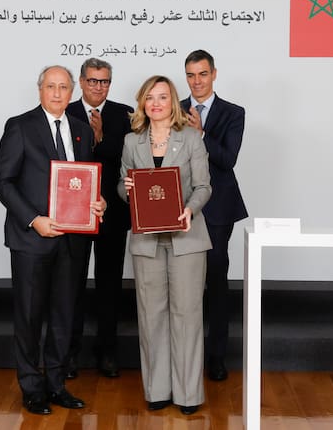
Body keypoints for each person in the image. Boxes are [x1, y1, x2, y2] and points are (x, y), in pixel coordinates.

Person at [0, 65, 106, 415]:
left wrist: (96, 203)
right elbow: (2, 182)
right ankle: (31, 387)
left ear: (73, 92)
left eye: (64, 87)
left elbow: (82, 184)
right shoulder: (20, 126)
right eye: (51, 86)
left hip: (71, 242)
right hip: (32, 239)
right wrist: (34, 219)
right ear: (40, 89)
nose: (57, 93)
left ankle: (56, 385)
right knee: (29, 316)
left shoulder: (83, 132)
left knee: (63, 316)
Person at [118, 75, 211, 415]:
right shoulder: (132, 142)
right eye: (149, 98)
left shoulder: (190, 139)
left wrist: (189, 209)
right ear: (142, 103)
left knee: (186, 315)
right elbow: (121, 187)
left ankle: (188, 394)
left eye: (162, 97)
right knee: (151, 315)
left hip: (187, 238)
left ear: (173, 102)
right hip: (147, 241)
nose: (156, 103)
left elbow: (204, 187)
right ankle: (157, 390)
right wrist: (126, 189)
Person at [181, 49, 248, 382]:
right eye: (191, 75)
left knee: (216, 283)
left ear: (214, 74)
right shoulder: (173, 109)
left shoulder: (233, 113)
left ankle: (217, 357)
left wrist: (202, 134)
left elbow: (227, 160)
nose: (197, 81)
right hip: (181, 209)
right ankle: (186, 358)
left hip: (218, 209)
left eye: (202, 74)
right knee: (185, 285)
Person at [66, 58, 133, 379]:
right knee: (71, 285)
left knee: (109, 286)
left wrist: (102, 138)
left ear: (110, 84)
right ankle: (69, 353)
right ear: (81, 82)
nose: (97, 87)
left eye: (104, 82)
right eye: (92, 81)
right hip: (74, 214)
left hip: (114, 213)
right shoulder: (65, 112)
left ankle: (107, 351)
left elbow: (127, 160)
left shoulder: (125, 115)